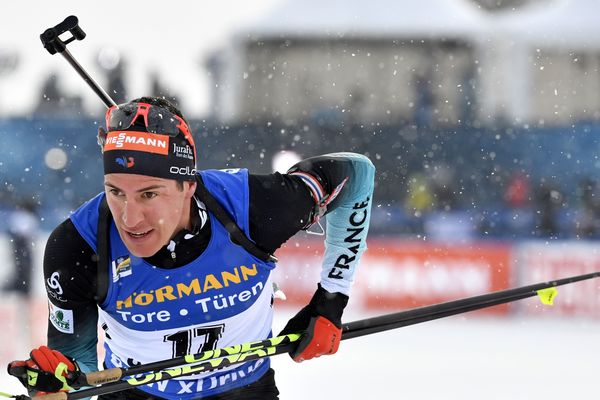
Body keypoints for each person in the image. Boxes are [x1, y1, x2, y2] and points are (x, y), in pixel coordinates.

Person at [8, 96, 375, 399]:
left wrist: (330, 301)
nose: (129, 217)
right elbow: (80, 366)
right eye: (115, 192)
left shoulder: (251, 207)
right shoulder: (77, 244)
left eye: (149, 194)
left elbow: (356, 176)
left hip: (245, 393)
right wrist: (62, 382)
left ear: (188, 185)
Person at [3, 198, 39, 296]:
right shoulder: (27, 217)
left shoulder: (21, 216)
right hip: (23, 245)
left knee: (22, 266)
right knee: (23, 266)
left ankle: (23, 286)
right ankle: (23, 286)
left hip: (21, 245)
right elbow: (25, 234)